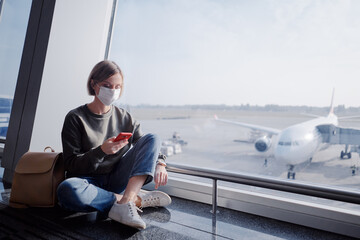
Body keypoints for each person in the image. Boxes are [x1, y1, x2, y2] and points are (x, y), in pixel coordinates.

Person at [57, 60, 171, 230]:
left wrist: (161, 163)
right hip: (86, 181)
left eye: (118, 86)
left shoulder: (125, 117)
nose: (113, 90)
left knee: (153, 137)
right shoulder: (75, 117)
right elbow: (71, 163)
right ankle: (132, 200)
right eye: (107, 85)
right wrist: (101, 151)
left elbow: (147, 145)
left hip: (116, 178)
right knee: (67, 189)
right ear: (93, 84)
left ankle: (125, 200)